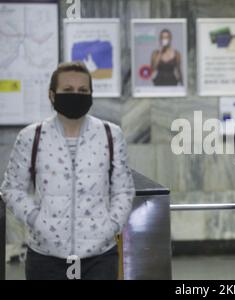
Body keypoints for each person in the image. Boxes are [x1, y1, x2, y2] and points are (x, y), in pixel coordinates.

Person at [0, 62, 135, 280]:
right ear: (52, 95)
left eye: (83, 91)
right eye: (68, 90)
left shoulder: (111, 135)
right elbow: (11, 188)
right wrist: (36, 219)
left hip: (99, 257)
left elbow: (124, 190)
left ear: (91, 95)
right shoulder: (30, 137)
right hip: (46, 256)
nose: (76, 95)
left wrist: (110, 226)